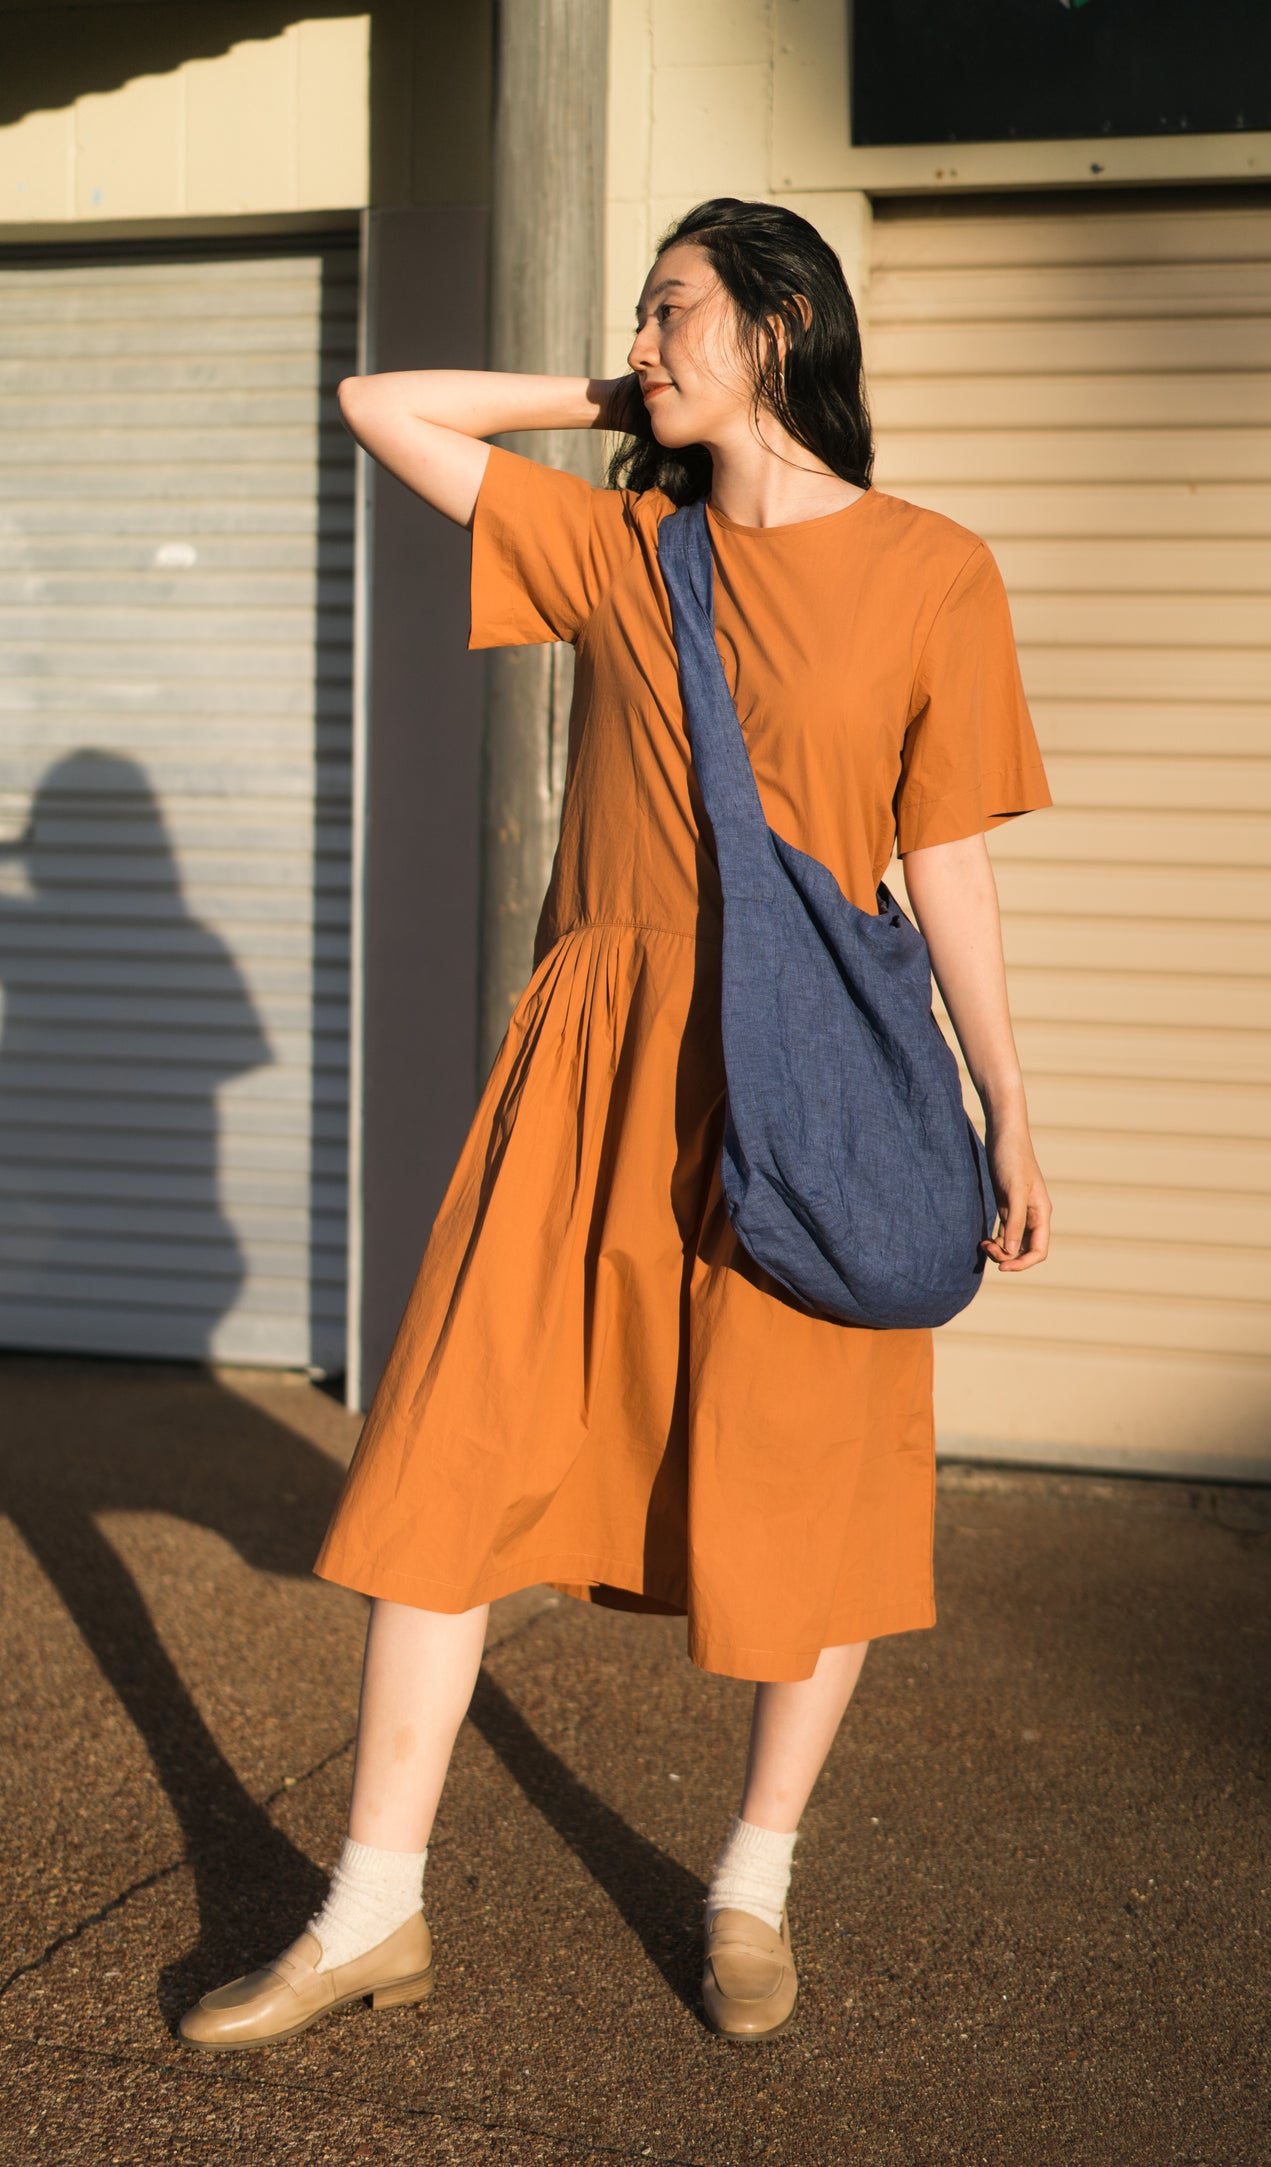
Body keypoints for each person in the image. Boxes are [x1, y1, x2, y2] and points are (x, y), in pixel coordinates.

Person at [179, 196, 1052, 2053]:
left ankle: (752, 1884)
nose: (646, 340)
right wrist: (620, 395)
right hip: (595, 1062)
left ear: (783, 322)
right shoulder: (617, 547)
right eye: (642, 320)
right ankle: (369, 1913)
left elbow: (946, 856)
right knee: (441, 1472)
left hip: (806, 1077)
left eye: (675, 313)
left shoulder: (931, 572)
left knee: (807, 1490)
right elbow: (380, 402)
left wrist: (1007, 1108)